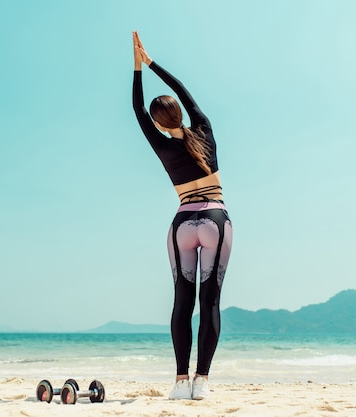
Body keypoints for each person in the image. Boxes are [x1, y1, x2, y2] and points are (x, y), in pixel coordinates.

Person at [131, 31, 233, 400]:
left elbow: (137, 111)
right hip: (215, 221)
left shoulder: (160, 143)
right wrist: (152, 61)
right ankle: (201, 381)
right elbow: (185, 90)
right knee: (210, 303)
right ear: (179, 112)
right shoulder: (204, 130)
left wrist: (136, 68)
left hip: (181, 224)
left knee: (182, 302)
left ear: (160, 124)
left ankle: (179, 381)